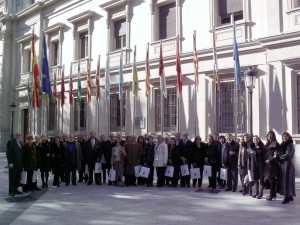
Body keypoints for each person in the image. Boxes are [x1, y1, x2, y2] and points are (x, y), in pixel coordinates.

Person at [278, 132, 296, 204]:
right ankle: (289, 196)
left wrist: (279, 156)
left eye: (286, 136)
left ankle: (287, 196)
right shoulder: (282, 144)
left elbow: (288, 155)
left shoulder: (290, 144)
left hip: (288, 165)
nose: (284, 137)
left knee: (288, 181)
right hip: (283, 164)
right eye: (283, 136)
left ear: (289, 137)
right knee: (284, 181)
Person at [264, 131, 280, 201]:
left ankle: (272, 195)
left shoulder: (276, 144)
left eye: (271, 135)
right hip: (267, 164)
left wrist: (270, 160)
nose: (270, 136)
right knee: (270, 180)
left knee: (272, 180)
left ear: (273, 136)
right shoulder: (267, 144)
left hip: (272, 164)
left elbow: (276, 155)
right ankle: (273, 194)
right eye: (268, 135)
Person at [6, 132, 23, 196]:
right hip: (13, 164)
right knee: (12, 178)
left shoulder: (21, 143)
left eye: (19, 135)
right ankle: (11, 191)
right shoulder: (10, 142)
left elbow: (21, 154)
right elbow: (8, 153)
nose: (18, 136)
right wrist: (10, 163)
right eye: (17, 135)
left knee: (18, 178)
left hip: (20, 164)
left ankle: (16, 189)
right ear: (15, 135)